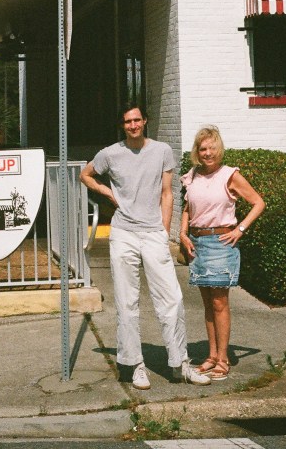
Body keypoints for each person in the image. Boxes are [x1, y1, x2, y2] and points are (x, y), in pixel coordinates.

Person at [81, 106, 211, 390]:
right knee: (127, 303)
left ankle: (180, 364)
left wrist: (164, 232)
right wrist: (107, 192)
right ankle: (135, 365)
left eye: (137, 120)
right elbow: (86, 175)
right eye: (127, 121)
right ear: (122, 125)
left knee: (172, 300)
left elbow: (167, 193)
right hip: (123, 233)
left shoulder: (162, 150)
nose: (133, 125)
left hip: (153, 232)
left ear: (145, 122)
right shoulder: (110, 153)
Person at [180, 125, 265, 381]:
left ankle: (224, 359)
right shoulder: (192, 175)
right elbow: (188, 208)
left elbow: (258, 203)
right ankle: (211, 356)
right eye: (203, 148)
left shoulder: (230, 175)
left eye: (212, 148)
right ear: (197, 151)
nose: (207, 153)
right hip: (197, 244)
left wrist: (240, 229)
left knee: (219, 303)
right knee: (207, 304)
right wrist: (182, 234)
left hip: (220, 243)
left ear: (220, 149)